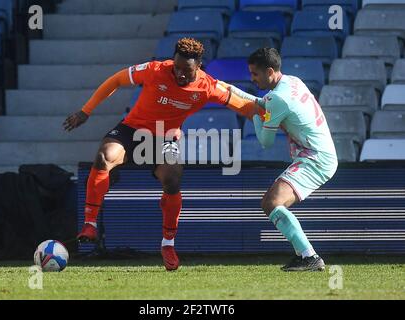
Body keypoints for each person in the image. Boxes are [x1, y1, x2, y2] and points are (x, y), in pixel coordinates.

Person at [63, 38, 258, 271]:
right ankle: (90, 224)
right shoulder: (155, 70)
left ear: (199, 67)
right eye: (177, 67)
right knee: (105, 156)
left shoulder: (207, 87)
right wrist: (86, 111)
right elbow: (116, 80)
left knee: (173, 178)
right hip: (132, 130)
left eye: (187, 70)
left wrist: (271, 121)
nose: (180, 74)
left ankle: (168, 244)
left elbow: (242, 106)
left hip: (165, 138)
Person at [224, 48, 338, 271]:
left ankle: (309, 257)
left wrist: (255, 116)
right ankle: (306, 255)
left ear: (269, 71)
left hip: (316, 158)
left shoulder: (279, 98)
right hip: (318, 154)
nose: (252, 78)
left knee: (272, 203)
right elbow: (261, 100)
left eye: (255, 74)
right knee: (272, 203)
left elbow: (265, 141)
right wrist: (229, 90)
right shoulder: (291, 82)